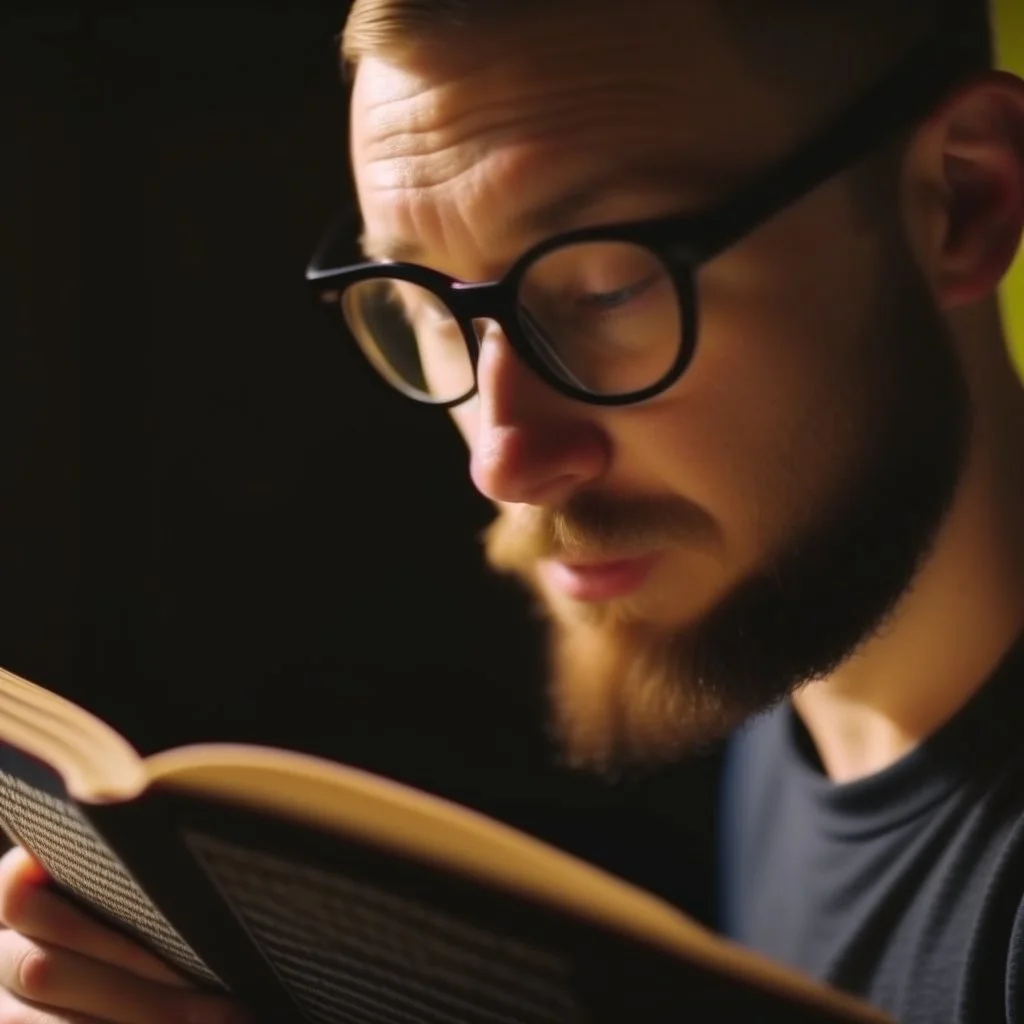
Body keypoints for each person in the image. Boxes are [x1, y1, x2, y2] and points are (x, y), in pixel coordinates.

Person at [2, 0, 1023, 1020]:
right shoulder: (786, 678)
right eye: (423, 303)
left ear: (959, 200)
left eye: (609, 286)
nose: (505, 460)